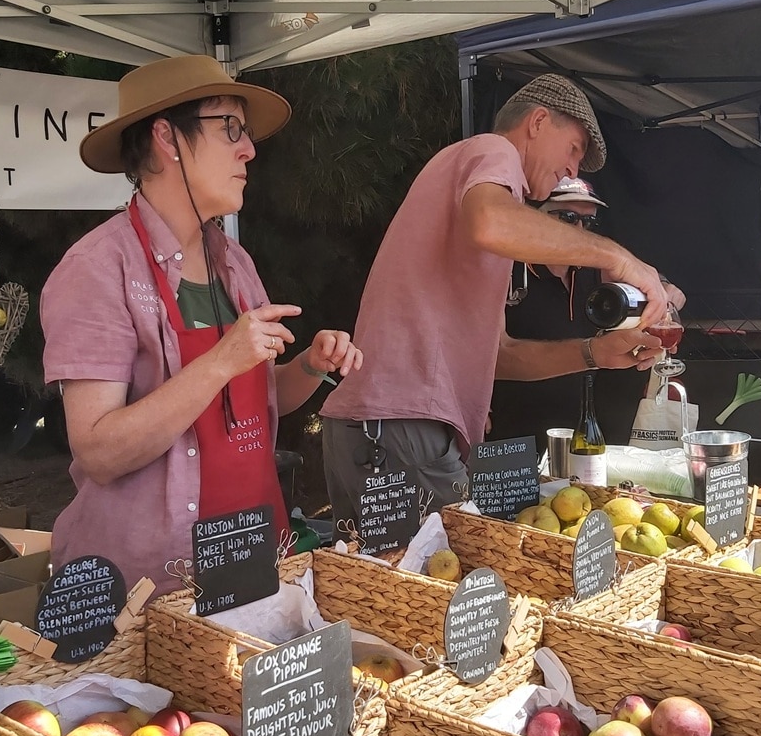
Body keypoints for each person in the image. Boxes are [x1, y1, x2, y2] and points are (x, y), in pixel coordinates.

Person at [41, 55, 363, 595]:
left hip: (256, 555)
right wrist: (220, 362)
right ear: (166, 138)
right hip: (156, 587)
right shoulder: (97, 269)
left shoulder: (233, 262)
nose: (249, 149)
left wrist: (310, 366)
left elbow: (253, 402)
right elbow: (99, 452)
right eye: (230, 128)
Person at [319, 74, 669, 520]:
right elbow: (490, 222)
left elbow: (498, 356)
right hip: (404, 425)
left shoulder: (483, 194)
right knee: (452, 579)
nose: (573, 170)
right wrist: (620, 259)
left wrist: (594, 353)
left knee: (376, 586)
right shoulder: (494, 150)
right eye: (574, 149)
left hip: (383, 427)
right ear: (538, 122)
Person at [488, 176, 685, 453]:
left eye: (588, 222)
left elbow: (643, 280)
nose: (580, 230)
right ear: (532, 217)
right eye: (568, 217)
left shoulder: (595, 269)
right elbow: (484, 357)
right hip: (515, 434)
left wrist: (663, 290)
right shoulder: (505, 271)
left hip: (587, 434)